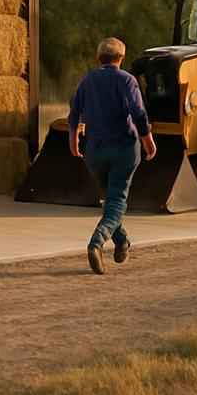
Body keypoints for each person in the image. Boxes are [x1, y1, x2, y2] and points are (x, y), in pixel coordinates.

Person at [67, 37, 156, 274]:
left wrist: (74, 139)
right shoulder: (127, 80)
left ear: (99, 58)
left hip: (94, 151)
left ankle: (122, 242)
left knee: (110, 198)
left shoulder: (87, 80)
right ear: (121, 58)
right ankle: (96, 243)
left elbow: (74, 111)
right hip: (124, 148)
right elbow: (138, 113)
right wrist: (148, 141)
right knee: (117, 200)